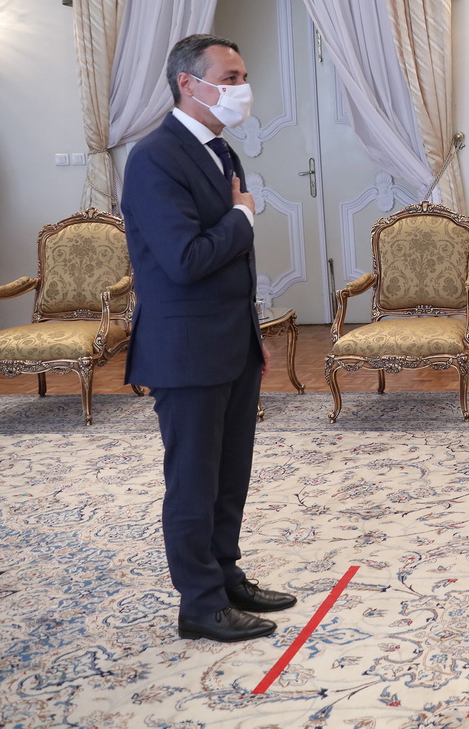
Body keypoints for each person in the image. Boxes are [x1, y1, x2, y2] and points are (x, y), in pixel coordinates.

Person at [122, 34, 297, 642]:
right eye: (229, 77)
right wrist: (244, 217)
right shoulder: (155, 157)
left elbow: (225, 263)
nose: (241, 88)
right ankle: (199, 604)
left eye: (243, 75)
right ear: (188, 85)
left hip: (230, 342)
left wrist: (252, 335)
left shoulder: (220, 150)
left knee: (231, 471)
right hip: (186, 351)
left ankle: (225, 575)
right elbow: (186, 259)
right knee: (193, 480)